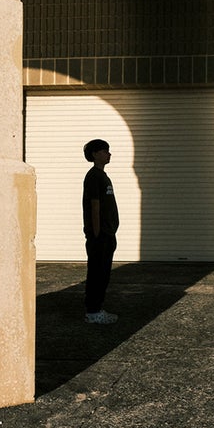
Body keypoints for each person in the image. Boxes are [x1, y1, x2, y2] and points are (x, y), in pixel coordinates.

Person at [81, 138, 120, 323]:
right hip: (100, 236)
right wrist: (97, 234)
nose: (108, 154)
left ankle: (96, 309)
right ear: (95, 154)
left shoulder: (102, 176)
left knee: (103, 273)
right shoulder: (94, 176)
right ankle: (93, 312)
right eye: (105, 151)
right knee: (97, 273)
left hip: (107, 234)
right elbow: (94, 206)